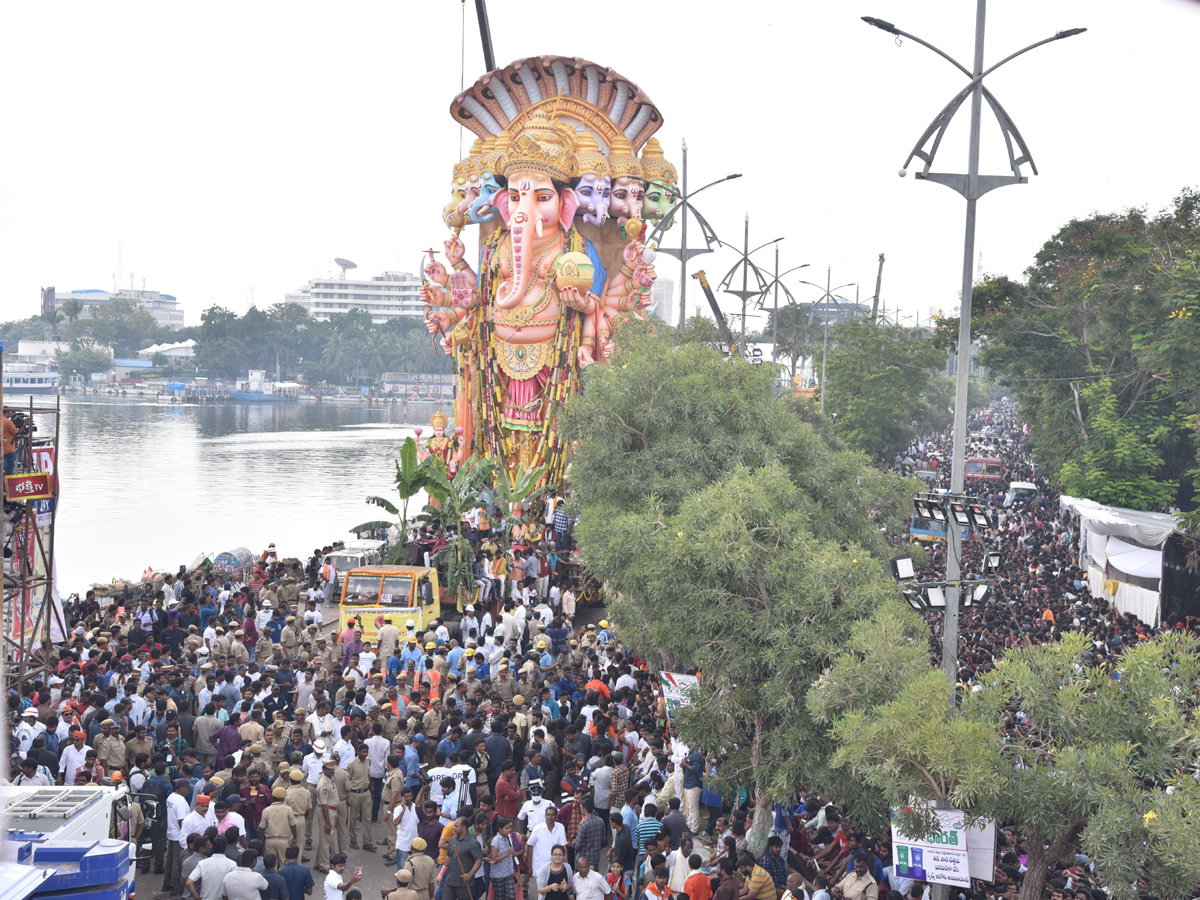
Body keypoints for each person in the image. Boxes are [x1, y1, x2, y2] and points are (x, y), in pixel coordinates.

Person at [441, 816, 484, 900]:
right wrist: (441, 874)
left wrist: (469, 875)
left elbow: (479, 860)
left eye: (456, 826)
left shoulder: (473, 843)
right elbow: (449, 857)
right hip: (450, 881)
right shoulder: (453, 839)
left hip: (464, 883)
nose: (454, 828)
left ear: (463, 828)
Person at [488, 817, 520, 900]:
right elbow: (493, 859)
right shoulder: (496, 841)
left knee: (511, 896)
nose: (509, 830)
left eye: (510, 828)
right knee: (499, 897)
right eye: (506, 828)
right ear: (500, 829)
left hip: (509, 873)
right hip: (498, 875)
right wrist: (508, 853)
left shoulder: (508, 838)